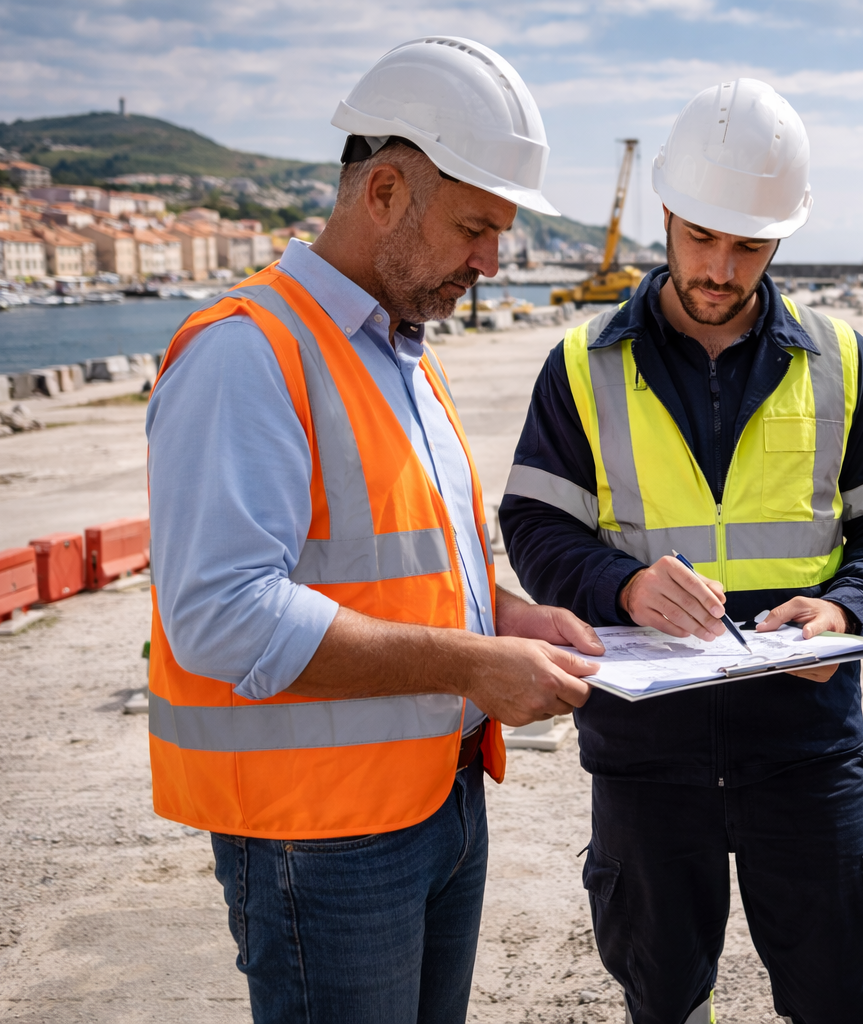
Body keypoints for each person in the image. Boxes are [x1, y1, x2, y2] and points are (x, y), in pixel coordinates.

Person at [145, 38, 604, 1023]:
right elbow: (223, 616)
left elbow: (408, 568)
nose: (492, 261)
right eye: (478, 228)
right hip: (321, 834)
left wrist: (508, 622)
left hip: (436, 801)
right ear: (385, 192)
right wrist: (470, 665)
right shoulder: (247, 352)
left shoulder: (402, 355)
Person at [500, 79, 863, 1024]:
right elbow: (536, 527)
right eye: (701, 237)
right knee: (661, 998)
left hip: (806, 753)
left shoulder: (845, 362)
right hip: (646, 756)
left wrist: (847, 607)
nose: (720, 268)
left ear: (781, 239)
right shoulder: (579, 368)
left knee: (838, 997)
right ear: (665, 213)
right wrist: (620, 585)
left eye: (748, 246)